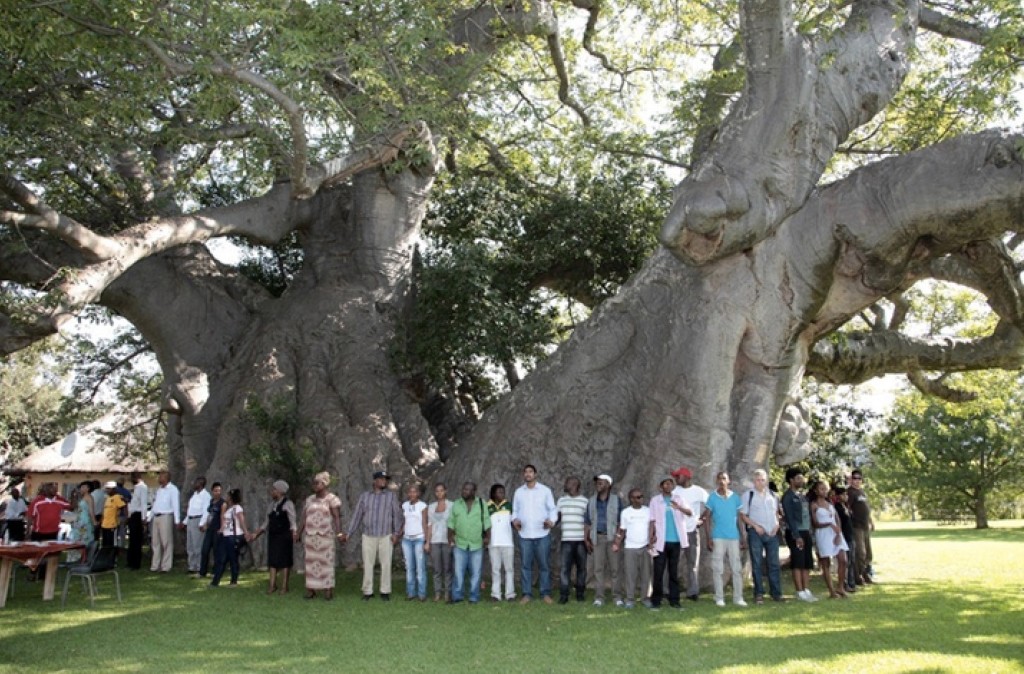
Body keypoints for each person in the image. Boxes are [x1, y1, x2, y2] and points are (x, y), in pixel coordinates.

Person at [340, 470, 403, 601]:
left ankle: (385, 591)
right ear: (375, 481)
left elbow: (396, 515)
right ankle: (367, 591)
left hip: (386, 535)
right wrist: (349, 533)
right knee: (368, 564)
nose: (384, 481)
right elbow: (357, 515)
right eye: (381, 479)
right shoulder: (365, 496)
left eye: (385, 479)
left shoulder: (390, 496)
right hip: (368, 535)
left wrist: (396, 533)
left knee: (386, 564)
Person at [512, 464, 558, 604]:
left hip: (542, 533)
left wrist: (551, 521)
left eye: (530, 472)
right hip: (525, 534)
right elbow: (515, 510)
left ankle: (545, 593)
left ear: (535, 474)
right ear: (523, 475)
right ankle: (527, 594)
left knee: (544, 565)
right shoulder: (519, 492)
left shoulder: (545, 491)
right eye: (525, 472)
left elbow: (553, 509)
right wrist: (515, 520)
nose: (528, 474)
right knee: (526, 566)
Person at [295, 472, 343, 600]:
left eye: (317, 483)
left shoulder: (331, 499)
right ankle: (311, 590)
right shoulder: (310, 499)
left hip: (325, 536)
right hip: (310, 537)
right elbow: (304, 517)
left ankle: (328, 590)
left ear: (325, 484)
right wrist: (298, 532)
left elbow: (337, 517)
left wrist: (339, 532)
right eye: (314, 483)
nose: (314, 485)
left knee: (326, 563)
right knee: (311, 564)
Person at [739, 468, 784, 604]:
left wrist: (777, 524)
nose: (760, 482)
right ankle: (758, 593)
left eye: (763, 480)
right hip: (756, 533)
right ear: (754, 481)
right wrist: (755, 526)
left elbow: (777, 513)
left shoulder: (773, 495)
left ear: (766, 481)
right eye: (758, 480)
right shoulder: (748, 495)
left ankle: (776, 593)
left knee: (774, 563)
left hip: (772, 533)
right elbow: (743, 515)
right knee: (757, 563)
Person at [704, 471, 747, 607]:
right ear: (717, 481)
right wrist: (708, 537)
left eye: (725, 478)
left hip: (734, 537)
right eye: (720, 478)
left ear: (729, 481)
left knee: (737, 568)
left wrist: (743, 536)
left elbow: (740, 519)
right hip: (718, 537)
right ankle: (719, 597)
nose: (722, 481)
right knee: (718, 568)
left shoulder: (735, 498)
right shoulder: (712, 498)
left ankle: (738, 597)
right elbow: (707, 518)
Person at [648, 477, 691, 610]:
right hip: (661, 541)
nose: (668, 486)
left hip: (676, 541)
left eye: (670, 484)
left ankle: (675, 600)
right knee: (658, 572)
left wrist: (679, 508)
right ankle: (656, 601)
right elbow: (652, 520)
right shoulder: (655, 500)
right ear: (661, 487)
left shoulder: (678, 498)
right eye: (665, 484)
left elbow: (690, 512)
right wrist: (650, 539)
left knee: (673, 572)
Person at [250, 480, 297, 595]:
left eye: (274, 489)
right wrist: (256, 534)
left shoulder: (288, 504)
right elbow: (266, 522)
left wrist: (294, 534)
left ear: (280, 491)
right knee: (272, 561)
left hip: (285, 536)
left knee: (285, 561)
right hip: (273, 536)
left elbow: (292, 521)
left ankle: (284, 586)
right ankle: (272, 585)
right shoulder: (271, 505)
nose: (272, 492)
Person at [447, 481, 491, 604]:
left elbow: (486, 522)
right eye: (463, 489)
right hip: (460, 543)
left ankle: (474, 597)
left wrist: (488, 538)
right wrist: (449, 537)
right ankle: (457, 596)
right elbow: (451, 522)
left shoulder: (482, 504)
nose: (464, 492)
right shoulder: (456, 504)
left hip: (477, 544)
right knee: (458, 572)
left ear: (473, 491)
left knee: (476, 573)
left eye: (467, 490)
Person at [584, 474, 623, 607]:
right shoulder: (591, 501)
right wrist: (586, 539)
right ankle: (599, 597)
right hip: (597, 538)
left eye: (601, 482)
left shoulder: (616, 500)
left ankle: (617, 596)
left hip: (612, 538)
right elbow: (588, 522)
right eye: (597, 482)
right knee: (598, 569)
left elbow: (620, 523)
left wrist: (618, 540)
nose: (598, 484)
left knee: (615, 569)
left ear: (609, 485)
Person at [612, 488, 653, 609]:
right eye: (637, 497)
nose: (640, 499)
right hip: (630, 547)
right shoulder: (626, 512)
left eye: (641, 496)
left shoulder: (648, 511)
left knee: (646, 574)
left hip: (645, 547)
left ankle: (645, 598)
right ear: (631, 499)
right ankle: (630, 599)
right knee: (630, 574)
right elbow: (622, 530)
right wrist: (617, 543)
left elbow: (652, 527)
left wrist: (651, 540)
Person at [672, 466, 708, 601]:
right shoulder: (674, 491)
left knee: (692, 563)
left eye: (678, 476)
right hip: (676, 532)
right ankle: (669, 590)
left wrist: (702, 519)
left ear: (686, 477)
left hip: (692, 531)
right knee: (673, 562)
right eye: (675, 476)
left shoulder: (699, 491)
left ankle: (692, 591)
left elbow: (710, 505)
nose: (676, 478)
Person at [782, 467, 818, 602]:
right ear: (791, 480)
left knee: (807, 561)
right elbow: (790, 517)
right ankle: (799, 590)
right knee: (798, 562)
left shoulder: (802, 496)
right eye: (798, 478)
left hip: (806, 531)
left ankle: (806, 589)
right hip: (795, 532)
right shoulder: (788, 497)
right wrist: (796, 535)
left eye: (802, 478)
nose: (801, 480)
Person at [810, 480, 848, 599]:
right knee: (826, 562)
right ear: (816, 491)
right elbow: (815, 523)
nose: (824, 491)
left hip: (835, 533)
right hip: (823, 533)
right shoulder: (814, 505)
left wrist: (838, 532)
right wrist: (828, 524)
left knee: (843, 559)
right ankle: (831, 591)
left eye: (825, 488)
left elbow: (837, 519)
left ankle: (840, 587)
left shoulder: (830, 503)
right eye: (821, 489)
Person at [556, 476, 589, 604]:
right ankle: (564, 595)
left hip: (581, 540)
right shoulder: (561, 500)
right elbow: (557, 518)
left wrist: (588, 539)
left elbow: (588, 522)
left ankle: (580, 593)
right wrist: (549, 524)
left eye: (567, 482)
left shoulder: (585, 501)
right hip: (566, 540)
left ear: (575, 485)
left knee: (582, 568)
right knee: (565, 568)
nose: (565, 484)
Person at [210, 488, 248, 588]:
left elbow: (241, 521)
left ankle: (234, 581)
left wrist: (246, 533)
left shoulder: (237, 508)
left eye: (228, 496)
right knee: (221, 558)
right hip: (226, 535)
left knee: (232, 559)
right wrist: (222, 529)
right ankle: (215, 582)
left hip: (233, 536)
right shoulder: (229, 508)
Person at [486, 483, 515, 602]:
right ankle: (496, 594)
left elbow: (514, 521)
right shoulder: (487, 506)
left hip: (507, 542)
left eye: (503, 492)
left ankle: (510, 594)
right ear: (493, 493)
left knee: (509, 569)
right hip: (493, 542)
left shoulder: (508, 505)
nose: (502, 494)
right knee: (495, 569)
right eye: (499, 492)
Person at [148, 470, 181, 572]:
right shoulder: (159, 490)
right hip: (157, 516)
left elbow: (176, 505)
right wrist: (149, 517)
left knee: (166, 542)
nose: (159, 479)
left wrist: (177, 520)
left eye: (161, 477)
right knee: (155, 542)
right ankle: (155, 565)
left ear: (166, 478)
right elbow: (155, 505)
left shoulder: (173, 489)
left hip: (166, 516)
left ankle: (166, 566)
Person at [425, 483, 453, 602]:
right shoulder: (431, 507)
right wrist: (427, 542)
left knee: (447, 568)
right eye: (437, 491)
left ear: (445, 491)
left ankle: (447, 592)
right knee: (437, 569)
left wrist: (453, 539)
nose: (439, 493)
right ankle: (437, 593)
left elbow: (454, 523)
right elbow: (430, 525)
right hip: (435, 540)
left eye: (441, 490)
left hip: (447, 540)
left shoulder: (452, 505)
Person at [401, 484, 429, 601]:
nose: (412, 494)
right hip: (406, 539)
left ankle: (422, 594)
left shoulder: (422, 506)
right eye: (410, 492)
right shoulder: (405, 505)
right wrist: (399, 533)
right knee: (409, 567)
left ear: (419, 493)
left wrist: (426, 541)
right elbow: (404, 522)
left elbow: (425, 523)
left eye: (414, 492)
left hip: (419, 538)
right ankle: (411, 592)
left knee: (420, 567)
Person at [847, 469, 875, 584]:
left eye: (859, 478)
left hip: (865, 526)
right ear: (851, 479)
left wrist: (871, 522)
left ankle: (865, 573)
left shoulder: (862, 492)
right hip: (856, 526)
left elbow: (866, 509)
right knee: (860, 552)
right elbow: (847, 508)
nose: (857, 480)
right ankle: (857, 576)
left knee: (868, 552)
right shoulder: (850, 492)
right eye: (855, 478)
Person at [182, 477, 211, 574]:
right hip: (191, 520)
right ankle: (192, 566)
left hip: (198, 520)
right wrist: (185, 522)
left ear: (201, 483)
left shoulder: (205, 496)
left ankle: (199, 566)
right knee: (190, 545)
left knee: (197, 545)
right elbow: (190, 510)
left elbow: (206, 511)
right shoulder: (194, 495)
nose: (194, 484)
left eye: (195, 482)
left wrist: (202, 523)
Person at [833, 486, 858, 593]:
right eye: (843, 494)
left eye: (846, 494)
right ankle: (844, 583)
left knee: (852, 560)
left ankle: (851, 582)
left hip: (850, 535)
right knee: (845, 561)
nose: (845, 496)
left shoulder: (845, 507)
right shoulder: (837, 508)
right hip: (844, 536)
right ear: (838, 496)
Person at [197, 482, 224, 579]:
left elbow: (222, 516)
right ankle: (202, 572)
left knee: (217, 551)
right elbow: (209, 515)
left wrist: (222, 529)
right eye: (216, 491)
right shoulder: (211, 502)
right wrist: (205, 525)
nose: (218, 493)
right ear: (212, 491)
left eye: (219, 491)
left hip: (217, 529)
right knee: (205, 550)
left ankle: (215, 571)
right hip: (210, 529)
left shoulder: (222, 503)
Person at [126, 473, 148, 570]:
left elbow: (143, 503)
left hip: (138, 514)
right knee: (132, 539)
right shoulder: (136, 488)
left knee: (136, 540)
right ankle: (130, 561)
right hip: (133, 514)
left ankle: (136, 563)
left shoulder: (142, 487)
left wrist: (144, 517)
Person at [69, 482, 95, 561]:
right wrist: (74, 496)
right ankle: (77, 558)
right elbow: (74, 507)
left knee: (84, 540)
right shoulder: (82, 498)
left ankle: (84, 558)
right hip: (79, 521)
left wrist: (94, 521)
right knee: (77, 539)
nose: (81, 489)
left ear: (88, 488)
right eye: (81, 487)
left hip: (85, 521)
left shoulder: (89, 497)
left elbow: (91, 510)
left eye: (83, 487)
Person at [100, 481, 127, 550]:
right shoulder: (108, 498)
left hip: (112, 525)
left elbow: (123, 507)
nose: (107, 490)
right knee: (105, 544)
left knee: (112, 543)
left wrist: (125, 519)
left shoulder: (117, 497)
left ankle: (113, 557)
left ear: (114, 489)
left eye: (109, 489)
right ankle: (105, 557)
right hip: (104, 525)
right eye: (107, 488)